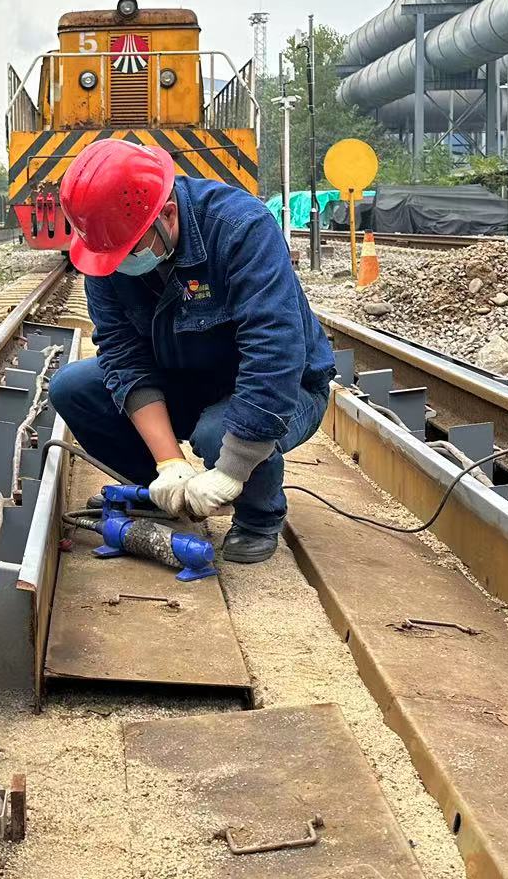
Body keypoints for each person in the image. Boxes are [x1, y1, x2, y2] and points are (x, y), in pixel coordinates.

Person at [47, 138, 336, 563]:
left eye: (131, 251)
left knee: (218, 433)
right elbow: (123, 357)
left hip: (281, 388)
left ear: (167, 214)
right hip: (186, 376)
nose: (122, 262)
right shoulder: (106, 252)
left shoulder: (240, 228)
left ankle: (258, 516)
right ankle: (161, 495)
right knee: (73, 387)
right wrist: (169, 464)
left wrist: (232, 470)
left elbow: (274, 352)